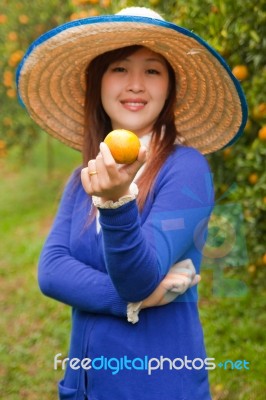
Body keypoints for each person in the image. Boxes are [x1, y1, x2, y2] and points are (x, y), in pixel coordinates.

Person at [16, 6, 247, 400]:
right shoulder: (82, 179)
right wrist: (133, 303)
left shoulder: (186, 169)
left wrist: (117, 203)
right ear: (98, 82)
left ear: (170, 86)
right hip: (86, 384)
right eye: (120, 68)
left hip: (156, 384)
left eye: (153, 70)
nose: (136, 84)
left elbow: (140, 275)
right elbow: (51, 272)